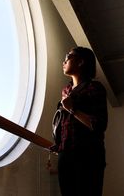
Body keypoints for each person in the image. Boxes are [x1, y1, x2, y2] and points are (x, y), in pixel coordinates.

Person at [50, 46, 108, 196]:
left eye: (68, 56)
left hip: (88, 156)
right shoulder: (66, 90)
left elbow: (99, 124)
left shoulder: (94, 87)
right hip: (65, 155)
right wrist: (59, 145)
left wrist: (72, 109)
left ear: (81, 61)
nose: (64, 61)